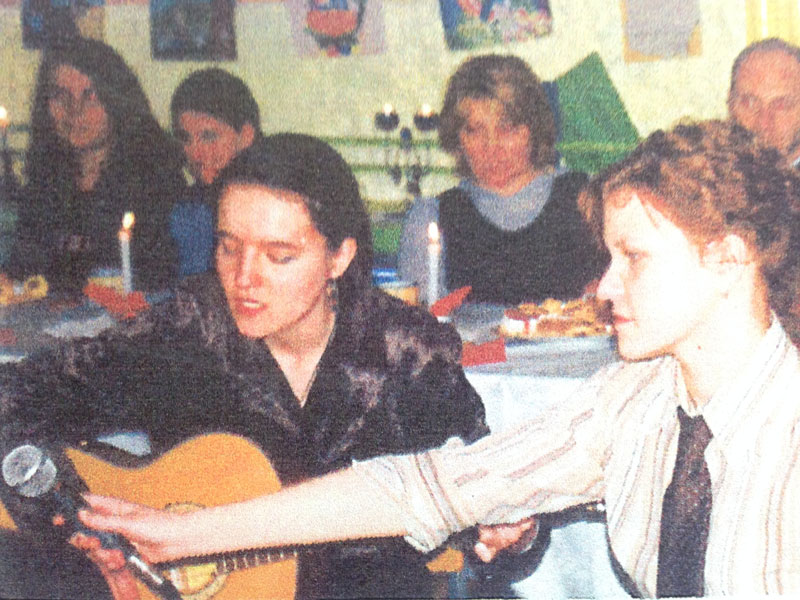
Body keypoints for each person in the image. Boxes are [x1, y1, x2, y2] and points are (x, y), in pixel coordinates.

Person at [81, 120, 800, 596]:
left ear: (729, 260)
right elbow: (422, 487)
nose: (605, 287)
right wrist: (179, 533)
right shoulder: (636, 399)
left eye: (633, 259)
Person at [0, 133, 488, 599]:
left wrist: (508, 535)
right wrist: (79, 526)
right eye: (229, 247)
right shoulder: (191, 330)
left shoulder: (408, 354)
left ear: (339, 257)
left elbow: (493, 517)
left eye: (279, 256)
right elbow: (19, 395)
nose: (242, 278)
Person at [398, 54, 607, 305]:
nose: (492, 148)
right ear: (457, 139)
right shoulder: (430, 218)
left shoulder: (589, 199)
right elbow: (419, 329)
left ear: (534, 128)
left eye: (506, 129)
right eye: (474, 131)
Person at [7, 36, 184, 294]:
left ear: (117, 102)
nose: (74, 110)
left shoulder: (154, 184)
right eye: (61, 95)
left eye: (90, 95)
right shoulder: (43, 184)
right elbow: (23, 272)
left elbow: (159, 283)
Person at [168, 68, 261, 277]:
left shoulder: (271, 203)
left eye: (209, 136)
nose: (195, 153)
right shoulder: (187, 209)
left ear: (246, 136)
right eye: (185, 139)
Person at [728, 37, 800, 166]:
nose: (763, 124)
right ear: (730, 104)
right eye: (750, 103)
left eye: (781, 105)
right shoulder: (710, 176)